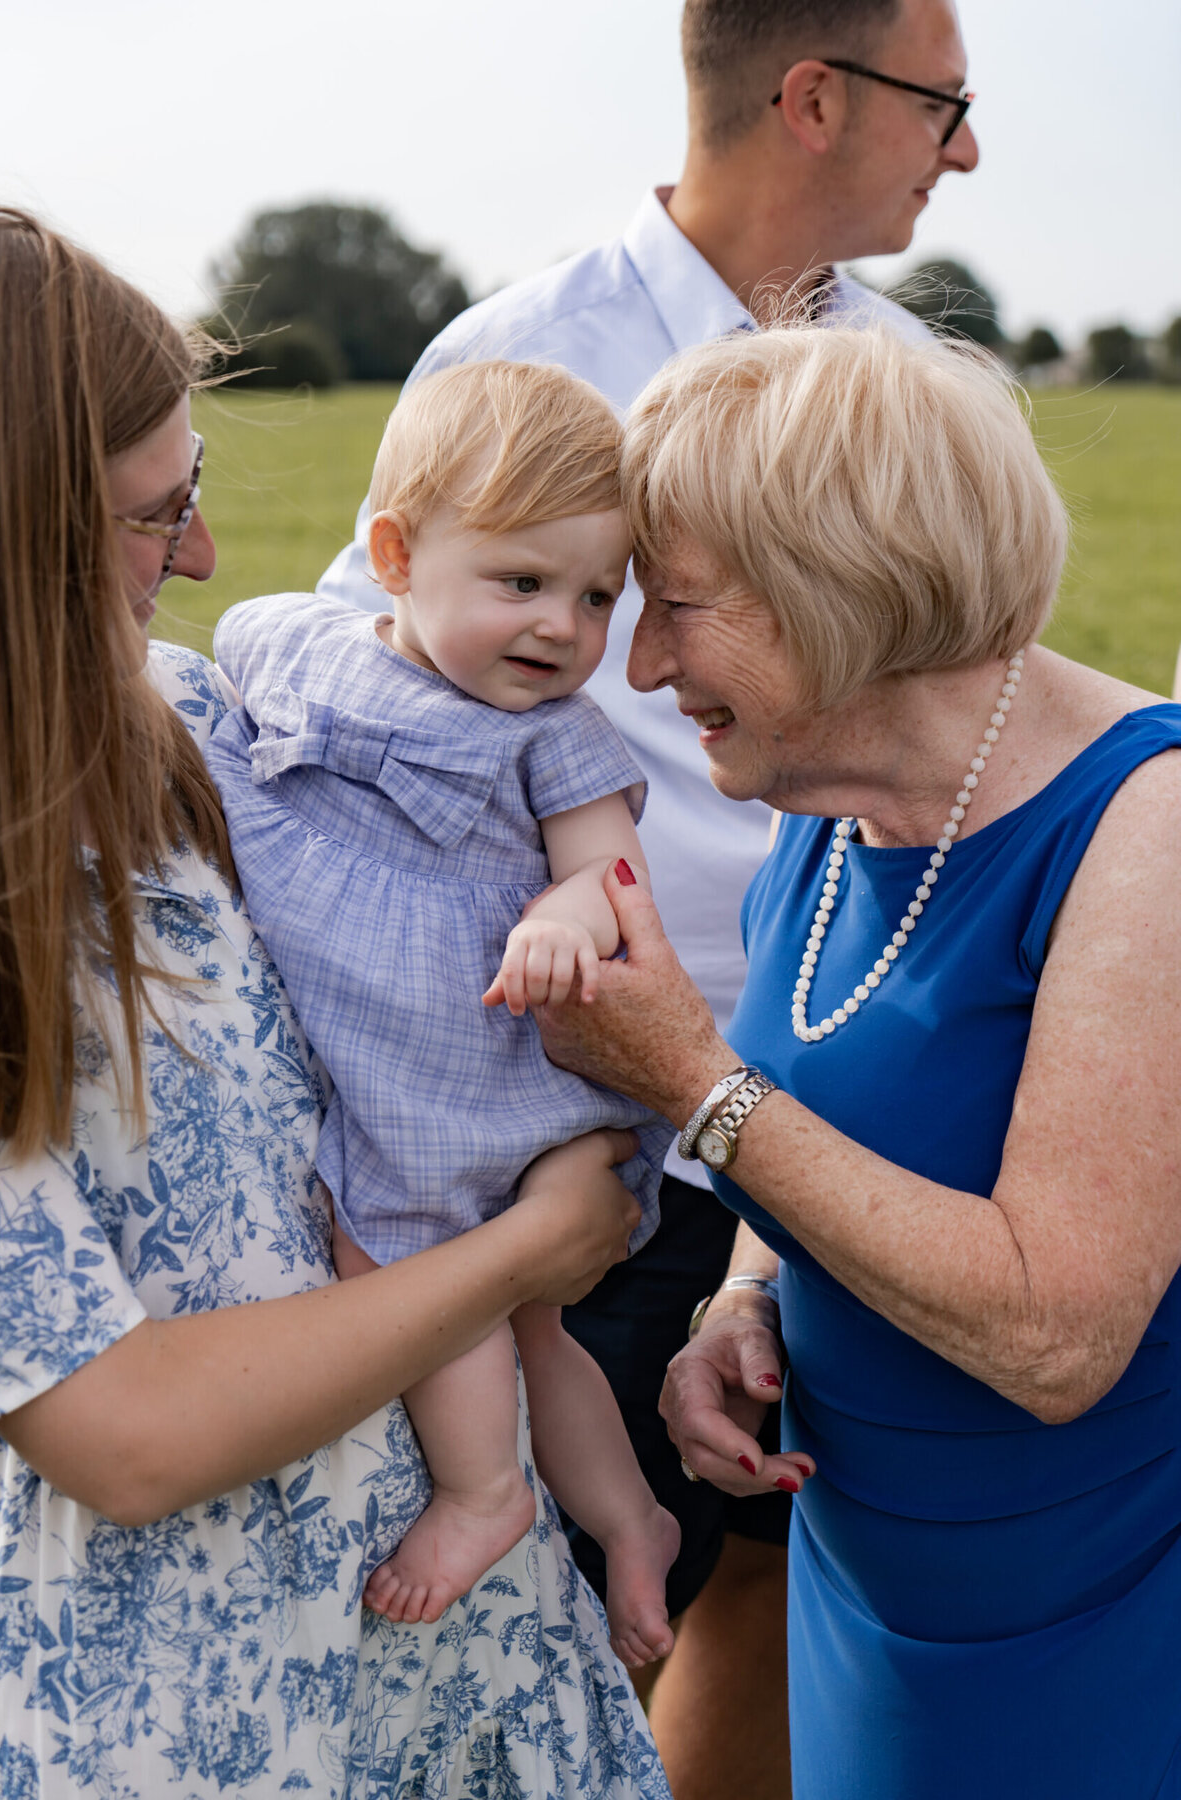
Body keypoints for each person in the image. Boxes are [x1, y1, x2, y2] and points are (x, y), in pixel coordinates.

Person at [318, 3, 977, 1786]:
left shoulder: (923, 384)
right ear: (816, 96)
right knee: (532, 1571)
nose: (971, 151)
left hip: (845, 1095)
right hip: (574, 1105)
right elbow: (377, 690)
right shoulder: (526, 356)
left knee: (772, 1554)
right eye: (950, 105)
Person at [0, 206, 671, 1800]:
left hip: (460, 1657)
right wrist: (527, 1250)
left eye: (196, 491)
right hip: (190, 1712)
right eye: (156, 516)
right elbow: (121, 1433)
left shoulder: (176, 713)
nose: (207, 559)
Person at [531, 320, 1181, 1799]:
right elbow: (830, 1104)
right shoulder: (828, 805)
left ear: (835, 596)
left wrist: (693, 1085)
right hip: (864, 1607)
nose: (639, 660)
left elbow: (1057, 1333)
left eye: (680, 608)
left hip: (1094, 1639)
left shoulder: (1148, 831)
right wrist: (739, 1300)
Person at [205, 359, 679, 1662]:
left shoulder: (552, 737)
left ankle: (484, 1492)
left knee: (412, 1271)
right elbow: (211, 689)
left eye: (596, 595)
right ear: (396, 555)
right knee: (531, 1318)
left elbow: (613, 872)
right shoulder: (290, 638)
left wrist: (567, 919)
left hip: (471, 1065)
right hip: (392, 1041)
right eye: (523, 583)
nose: (563, 628)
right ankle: (632, 1517)